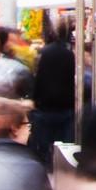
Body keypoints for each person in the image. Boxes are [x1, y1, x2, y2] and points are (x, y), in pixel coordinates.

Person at [30, 19, 75, 168]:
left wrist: (35, 99)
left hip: (45, 106)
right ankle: (60, 169)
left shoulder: (44, 53)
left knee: (43, 145)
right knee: (64, 145)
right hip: (65, 106)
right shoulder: (69, 54)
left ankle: (46, 167)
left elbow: (39, 78)